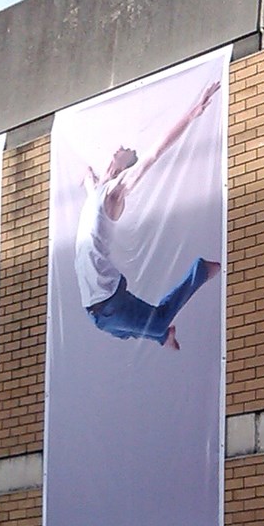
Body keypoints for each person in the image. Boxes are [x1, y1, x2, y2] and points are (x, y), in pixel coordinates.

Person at [74, 76, 223, 349]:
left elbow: (154, 153)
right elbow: (85, 173)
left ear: (125, 164)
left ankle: (199, 272)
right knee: (126, 331)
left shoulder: (114, 192)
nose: (121, 147)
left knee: (156, 321)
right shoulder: (96, 188)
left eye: (126, 150)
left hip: (108, 300)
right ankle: (162, 336)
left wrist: (192, 113)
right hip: (96, 312)